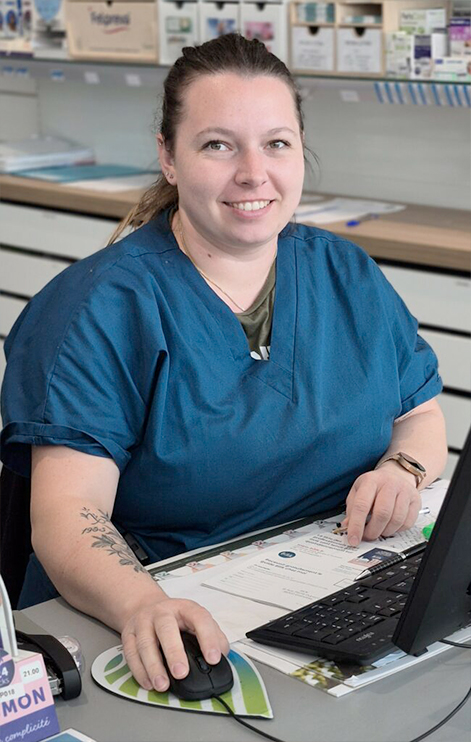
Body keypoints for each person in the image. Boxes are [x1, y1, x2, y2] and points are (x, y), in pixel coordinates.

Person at [0, 34, 446, 694]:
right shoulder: (102, 306)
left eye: (276, 143)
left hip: (336, 586)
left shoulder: (344, 272)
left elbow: (420, 415)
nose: (252, 173)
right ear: (168, 157)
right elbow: (68, 513)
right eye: (217, 145)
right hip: (163, 607)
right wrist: (141, 605)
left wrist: (401, 469)